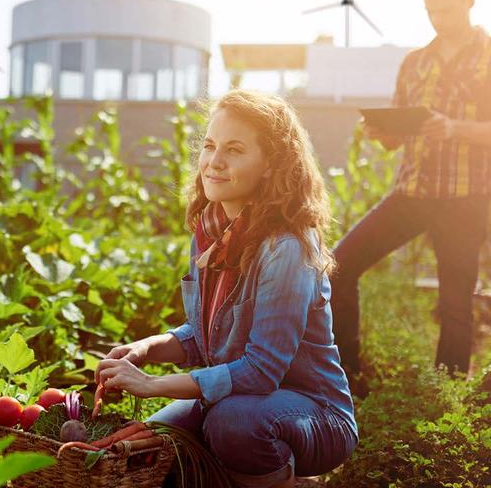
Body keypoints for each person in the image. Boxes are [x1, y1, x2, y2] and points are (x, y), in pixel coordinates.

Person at [94, 91, 357, 488]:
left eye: (234, 150)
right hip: (237, 399)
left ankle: (291, 480)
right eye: (210, 146)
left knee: (232, 424)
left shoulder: (286, 247)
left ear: (272, 165)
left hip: (315, 415)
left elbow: (260, 371)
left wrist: (151, 386)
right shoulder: (212, 233)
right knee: (149, 441)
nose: (214, 162)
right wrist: (148, 348)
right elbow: (207, 337)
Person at [330, 0, 491, 384]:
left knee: (455, 303)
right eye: (431, 12)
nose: (439, 20)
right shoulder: (415, 63)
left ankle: (447, 394)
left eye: (447, 11)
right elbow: (396, 140)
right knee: (338, 264)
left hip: (465, 198)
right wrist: (381, 132)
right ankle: (347, 372)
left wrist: (454, 128)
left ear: (470, 0)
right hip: (412, 192)